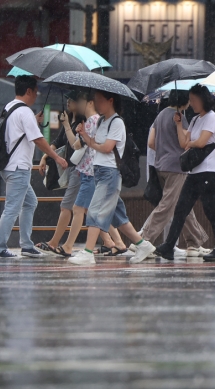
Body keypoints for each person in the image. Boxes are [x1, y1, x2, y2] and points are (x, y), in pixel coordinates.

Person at [68, 90, 156, 265]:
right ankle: (143, 245)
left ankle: (87, 252)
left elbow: (107, 147)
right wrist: (85, 135)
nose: (97, 104)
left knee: (94, 210)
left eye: (100, 101)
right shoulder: (101, 121)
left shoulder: (117, 123)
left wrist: (93, 143)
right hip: (99, 172)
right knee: (118, 217)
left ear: (110, 101)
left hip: (109, 173)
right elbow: (94, 144)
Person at [0, 75, 68, 259]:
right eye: (35, 91)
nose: (37, 95)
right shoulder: (24, 111)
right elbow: (38, 139)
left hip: (9, 166)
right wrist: (57, 157)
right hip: (19, 167)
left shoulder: (11, 107)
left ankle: (26, 245)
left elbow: (17, 130)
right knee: (12, 208)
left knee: (30, 202)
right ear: (28, 91)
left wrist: (34, 120)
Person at [154, 84, 215, 261]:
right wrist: (179, 125)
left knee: (211, 210)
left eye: (194, 100)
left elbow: (200, 142)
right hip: (195, 172)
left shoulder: (212, 118)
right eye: (190, 100)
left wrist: (190, 141)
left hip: (209, 171)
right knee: (181, 208)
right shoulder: (195, 120)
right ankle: (169, 246)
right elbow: (183, 143)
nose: (191, 103)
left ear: (203, 99)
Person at [53, 91, 126, 257]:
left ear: (88, 103)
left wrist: (86, 138)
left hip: (93, 172)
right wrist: (71, 128)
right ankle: (116, 242)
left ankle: (69, 246)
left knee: (80, 209)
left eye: (79, 101)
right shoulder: (94, 121)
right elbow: (77, 145)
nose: (77, 104)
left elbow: (91, 146)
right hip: (89, 172)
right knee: (97, 211)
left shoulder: (96, 121)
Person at [141, 90, 210, 257]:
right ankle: (142, 239)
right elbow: (184, 143)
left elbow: (151, 142)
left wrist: (164, 150)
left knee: (181, 204)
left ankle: (194, 242)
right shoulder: (180, 117)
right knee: (167, 205)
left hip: (160, 166)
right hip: (176, 167)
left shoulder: (161, 115)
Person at [35, 91, 89, 256]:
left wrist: (66, 125)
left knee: (67, 206)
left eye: (71, 99)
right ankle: (112, 241)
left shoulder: (82, 123)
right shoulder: (71, 121)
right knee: (89, 209)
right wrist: (45, 157)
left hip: (80, 169)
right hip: (73, 169)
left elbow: (75, 146)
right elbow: (57, 142)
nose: (68, 102)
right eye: (67, 99)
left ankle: (55, 242)